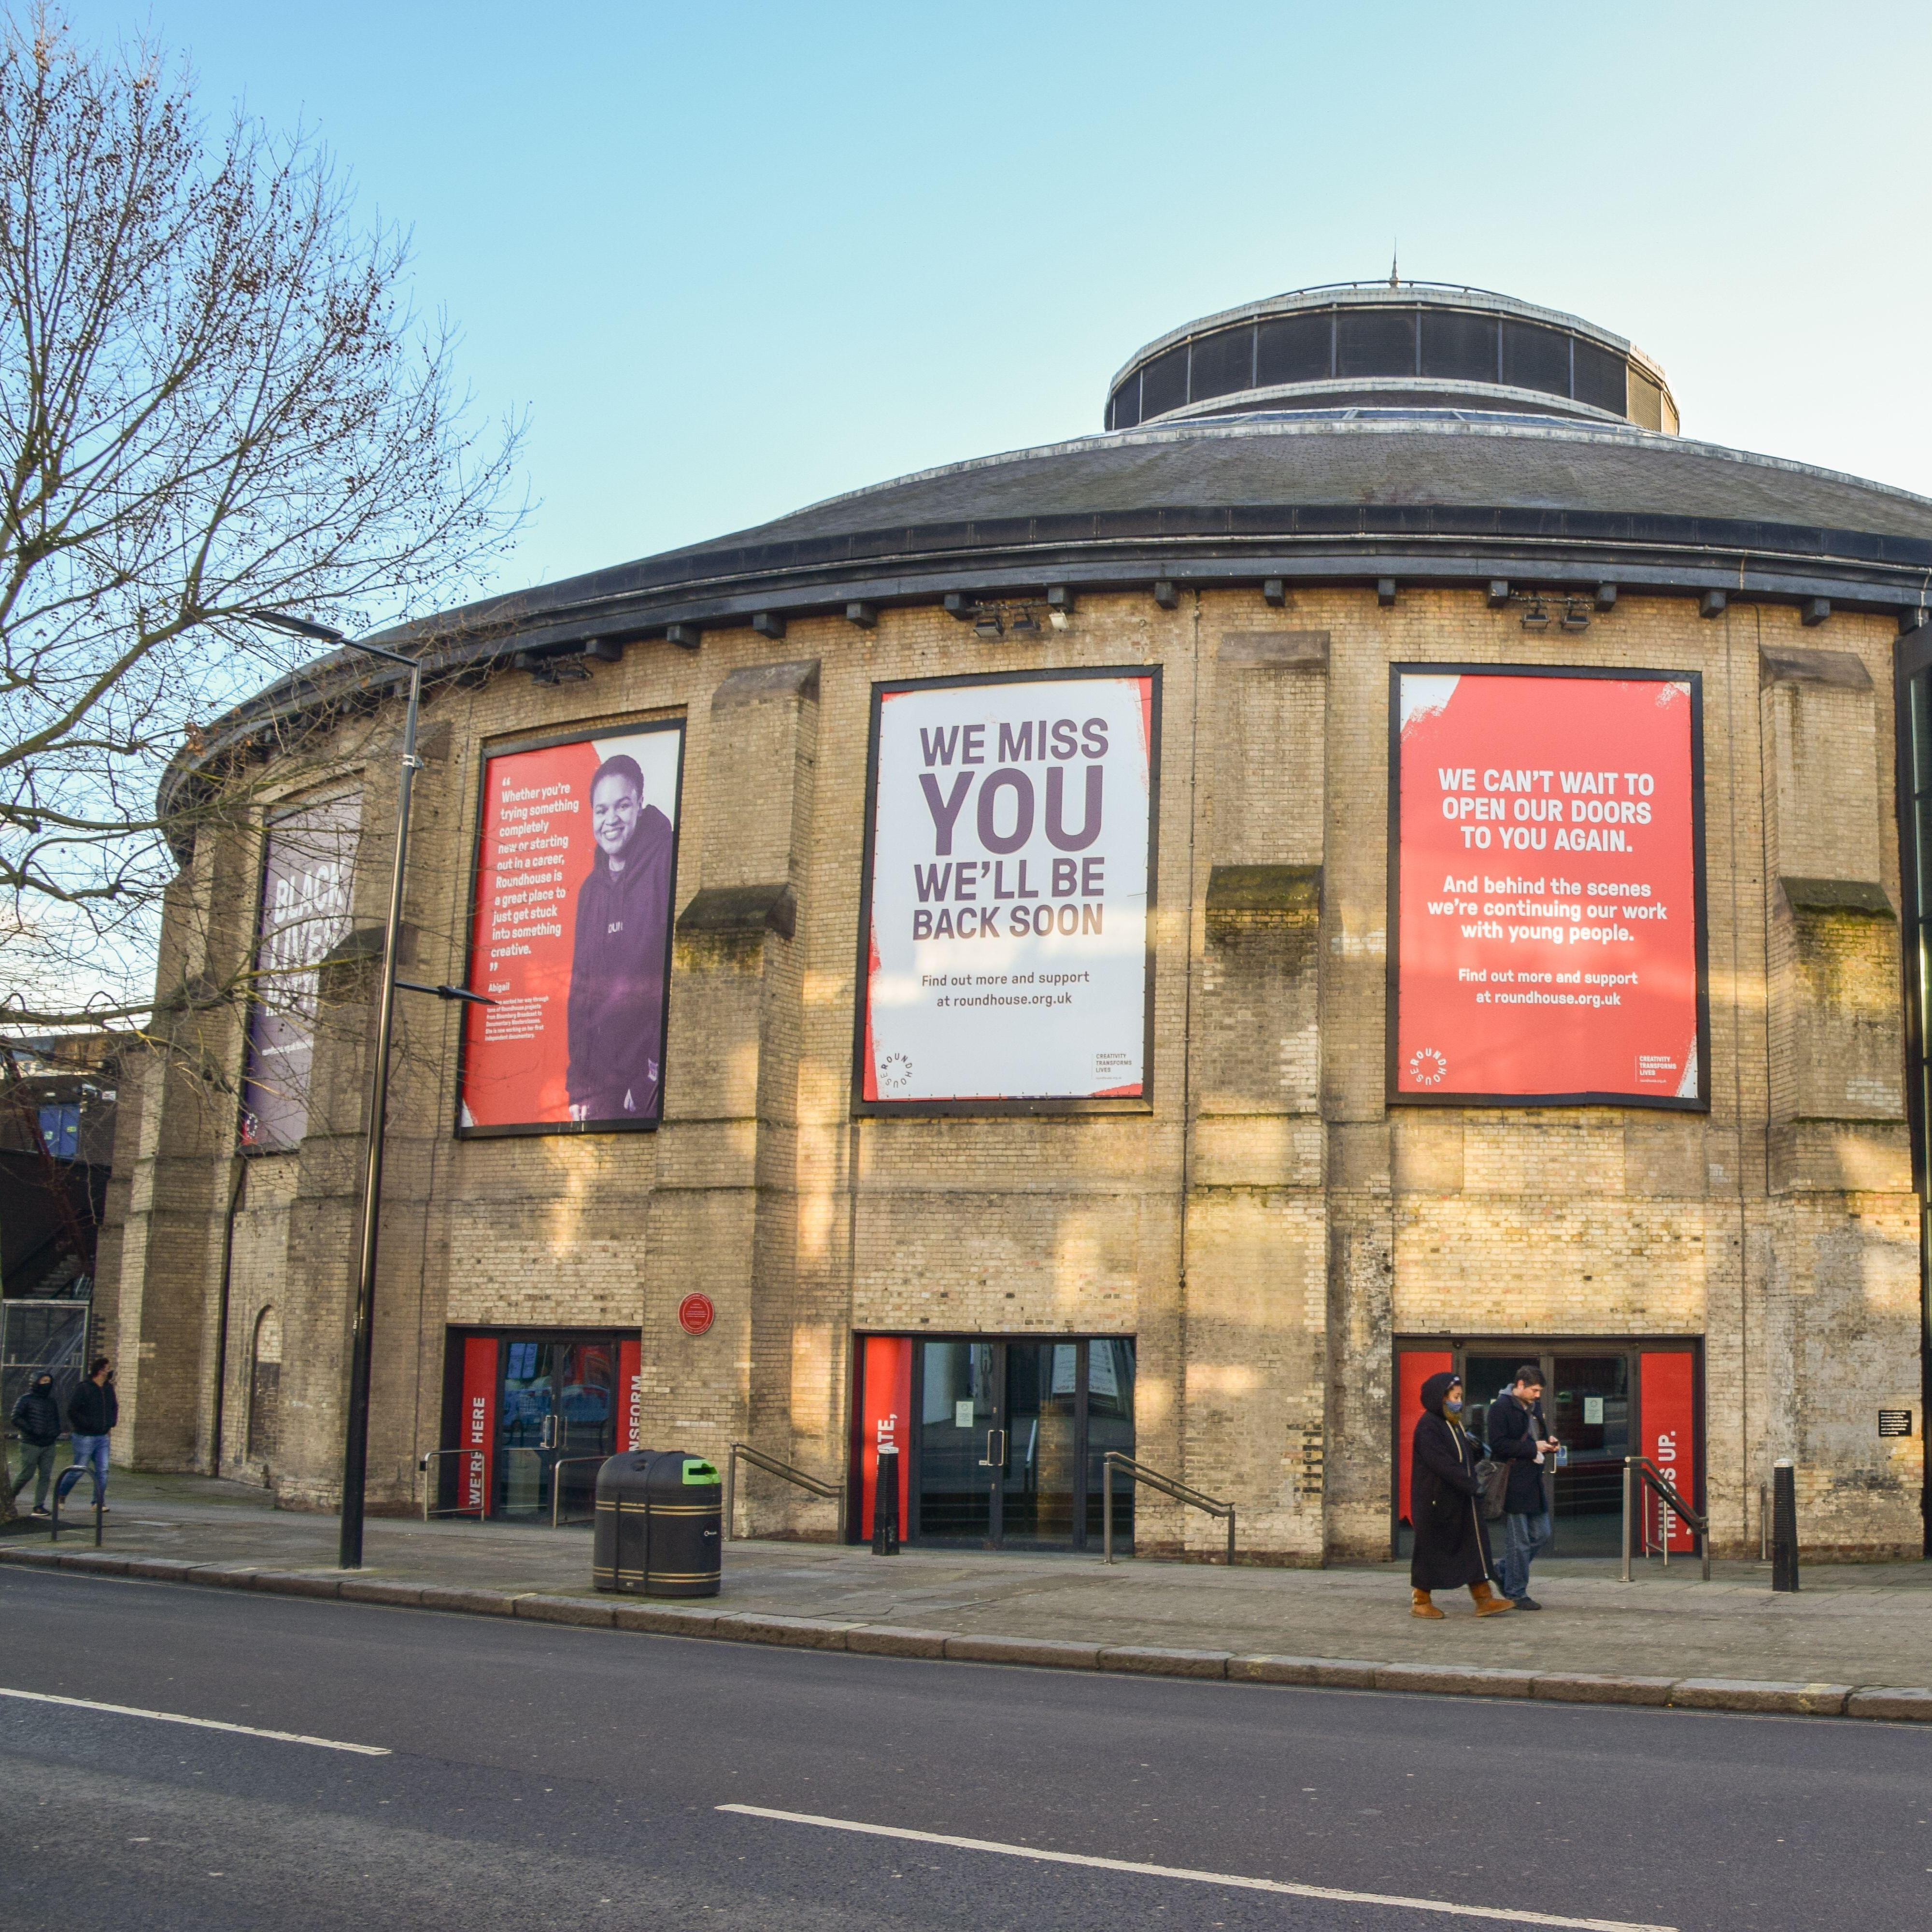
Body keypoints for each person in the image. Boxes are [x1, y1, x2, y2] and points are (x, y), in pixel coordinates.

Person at [566, 754, 676, 1124]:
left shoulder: (668, 861)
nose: (611, 820)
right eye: (601, 810)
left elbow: (676, 973)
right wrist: (580, 1085)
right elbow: (581, 992)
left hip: (648, 1084)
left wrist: (653, 1077)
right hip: (599, 1088)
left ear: (640, 805)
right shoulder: (590, 893)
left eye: (622, 806)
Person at [1410, 1371, 1513, 1618]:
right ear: (1441, 1397)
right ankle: (1420, 1600)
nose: (1459, 1401)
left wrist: (1475, 1451)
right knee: (1431, 1549)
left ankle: (1483, 1598)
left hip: (1460, 1500)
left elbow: (1460, 1457)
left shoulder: (1453, 1424)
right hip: (1436, 1502)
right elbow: (1442, 1464)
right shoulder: (1428, 1427)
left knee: (1473, 1547)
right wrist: (1471, 1485)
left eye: (1460, 1396)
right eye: (1455, 1396)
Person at [1487, 1364, 1558, 1609]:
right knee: (1519, 1541)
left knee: (1542, 1534)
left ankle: (1503, 1570)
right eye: (1535, 1390)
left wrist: (1550, 1443)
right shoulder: (1500, 1409)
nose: (1538, 1395)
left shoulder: (1534, 1408)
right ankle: (1516, 1592)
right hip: (1514, 1481)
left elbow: (1541, 1435)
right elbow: (1498, 1446)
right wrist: (1533, 1448)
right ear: (1520, 1385)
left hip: (1533, 1481)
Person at [66, 1355, 117, 1512]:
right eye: (107, 1368)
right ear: (100, 1371)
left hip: (102, 1437)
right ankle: (61, 1493)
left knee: (103, 1470)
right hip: (85, 1436)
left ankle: (98, 1502)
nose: (110, 1371)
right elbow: (72, 1410)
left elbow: (114, 1407)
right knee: (79, 1469)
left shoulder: (108, 1389)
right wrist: (86, 1424)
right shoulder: (85, 1388)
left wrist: (111, 1422)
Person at [9, 1371, 62, 1516]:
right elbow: (16, 1417)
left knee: (45, 1475)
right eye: (43, 1381)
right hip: (30, 1443)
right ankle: (10, 1497)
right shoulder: (26, 1400)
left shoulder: (51, 1401)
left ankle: (39, 1506)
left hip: (48, 1444)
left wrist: (55, 1431)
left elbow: (56, 1418)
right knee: (27, 1474)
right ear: (35, 1383)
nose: (46, 1384)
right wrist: (31, 1430)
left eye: (48, 1381)